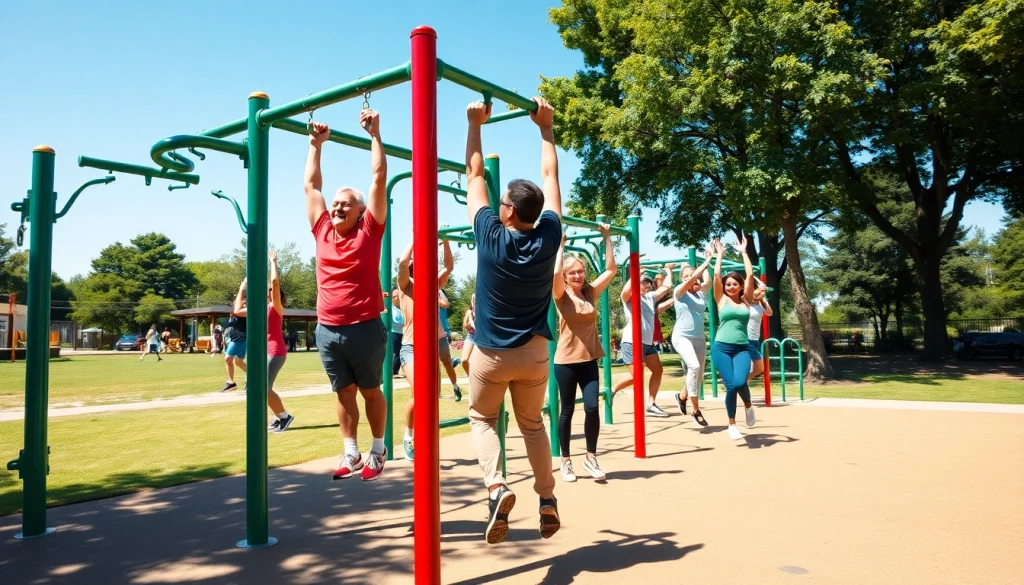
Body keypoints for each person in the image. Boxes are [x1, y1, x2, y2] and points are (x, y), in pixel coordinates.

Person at [465, 97, 562, 544]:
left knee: (483, 420)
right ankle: (547, 499)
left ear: (507, 212)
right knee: (533, 424)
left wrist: (474, 124)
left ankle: (497, 485)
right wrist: (546, 130)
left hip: (490, 353)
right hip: (535, 353)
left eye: (503, 201)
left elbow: (474, 176)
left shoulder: (490, 237)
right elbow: (550, 177)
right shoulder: (548, 237)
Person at [306, 110, 389, 481]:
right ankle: (350, 452)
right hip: (327, 329)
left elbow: (378, 177)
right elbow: (312, 188)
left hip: (364, 327)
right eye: (335, 203)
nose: (337, 207)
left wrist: (375, 135)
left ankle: (378, 448)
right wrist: (315, 146)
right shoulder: (322, 229)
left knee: (371, 391)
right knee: (343, 393)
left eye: (345, 204)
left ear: (361, 211)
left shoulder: (369, 231)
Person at [552, 224, 616, 482]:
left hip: (589, 358)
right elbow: (554, 272)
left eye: (581, 271)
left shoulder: (589, 292)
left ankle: (590, 457)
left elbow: (611, 270)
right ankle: (565, 461)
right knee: (566, 410)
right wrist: (560, 247)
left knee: (592, 407)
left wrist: (607, 237)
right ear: (566, 277)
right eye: (573, 273)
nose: (578, 275)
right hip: (566, 361)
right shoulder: (560, 294)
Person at [394, 239, 455, 461]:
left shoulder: (433, 285)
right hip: (410, 347)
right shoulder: (405, 284)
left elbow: (448, 267)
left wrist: (446, 241)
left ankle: (424, 437)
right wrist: (415, 237)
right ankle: (409, 435)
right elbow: (401, 262)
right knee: (420, 394)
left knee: (431, 396)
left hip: (431, 348)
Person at [709, 237, 758, 440]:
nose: (730, 287)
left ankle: (748, 405)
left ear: (740, 286)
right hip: (721, 348)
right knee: (731, 385)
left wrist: (744, 252)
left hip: (741, 348)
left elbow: (750, 274)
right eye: (727, 284)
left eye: (734, 284)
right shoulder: (721, 300)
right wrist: (719, 254)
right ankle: (732, 424)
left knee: (739, 382)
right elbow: (717, 274)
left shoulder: (747, 301)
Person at [658, 248, 714, 425]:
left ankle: (681, 397)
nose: (692, 278)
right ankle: (696, 411)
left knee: (699, 376)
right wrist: (705, 262)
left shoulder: (700, 293)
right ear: (682, 278)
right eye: (687, 276)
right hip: (681, 336)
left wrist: (707, 264)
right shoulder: (679, 292)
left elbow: (708, 280)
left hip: (698, 337)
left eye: (693, 275)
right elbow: (691, 278)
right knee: (694, 366)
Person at [612, 268, 673, 417]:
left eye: (648, 284)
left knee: (657, 370)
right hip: (632, 342)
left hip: (647, 343)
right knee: (637, 377)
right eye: (643, 284)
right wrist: (636, 271)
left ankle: (651, 404)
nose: (646, 286)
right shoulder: (629, 298)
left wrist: (668, 271)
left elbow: (666, 288)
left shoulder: (650, 297)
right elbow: (626, 290)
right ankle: (612, 390)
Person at [220, 280, 248, 391]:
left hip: (239, 339)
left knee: (228, 359)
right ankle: (252, 377)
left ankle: (230, 382)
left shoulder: (242, 313)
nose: (243, 303)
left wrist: (242, 288)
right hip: (234, 339)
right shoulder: (234, 315)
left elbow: (237, 310)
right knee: (239, 362)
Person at [437, 289, 464, 399]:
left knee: (447, 362)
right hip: (427, 333)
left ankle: (455, 386)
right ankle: (437, 393)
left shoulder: (438, 290)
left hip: (441, 332)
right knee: (434, 365)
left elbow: (445, 304)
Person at [747, 280, 774, 383]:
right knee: (757, 366)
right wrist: (758, 290)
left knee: (754, 368)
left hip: (754, 339)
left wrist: (763, 298)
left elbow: (770, 313)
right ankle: (741, 385)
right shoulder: (745, 303)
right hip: (745, 338)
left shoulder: (760, 305)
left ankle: (743, 385)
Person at [460, 294, 476, 376]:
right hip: (471, 336)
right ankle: (470, 377)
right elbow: (464, 325)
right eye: (473, 299)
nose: (474, 301)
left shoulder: (484, 310)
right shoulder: (469, 312)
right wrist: (470, 323)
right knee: (464, 360)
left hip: (482, 337)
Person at [390, 298, 404, 377]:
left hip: (402, 333)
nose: (397, 298)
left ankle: (396, 370)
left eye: (398, 296)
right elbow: (396, 321)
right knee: (395, 352)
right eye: (394, 296)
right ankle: (393, 371)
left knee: (400, 352)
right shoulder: (391, 308)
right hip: (394, 332)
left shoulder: (402, 308)